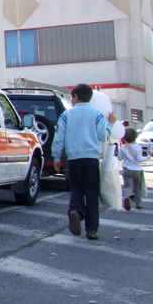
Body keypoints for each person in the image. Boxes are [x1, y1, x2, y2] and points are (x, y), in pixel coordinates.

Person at [50, 83, 116, 239]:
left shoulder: (66, 115)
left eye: (71, 97)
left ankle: (76, 211)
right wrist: (111, 124)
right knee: (92, 193)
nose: (71, 100)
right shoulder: (97, 114)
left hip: (74, 159)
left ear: (76, 97)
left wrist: (56, 157)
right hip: (92, 159)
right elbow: (102, 136)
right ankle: (92, 229)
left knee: (77, 189)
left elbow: (59, 138)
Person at [119, 127, 147, 210]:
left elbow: (120, 158)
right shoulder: (138, 147)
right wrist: (149, 156)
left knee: (128, 186)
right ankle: (139, 203)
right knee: (137, 187)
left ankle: (126, 198)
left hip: (127, 169)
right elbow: (139, 159)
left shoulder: (123, 147)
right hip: (137, 170)